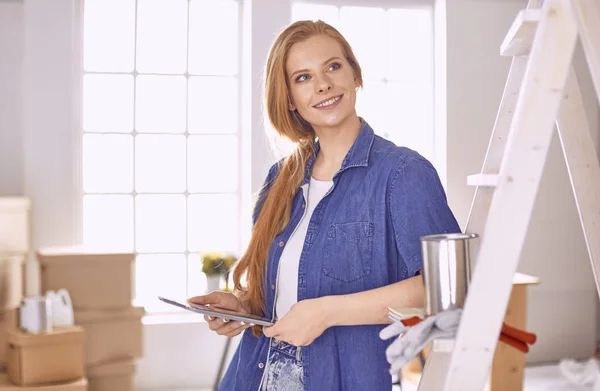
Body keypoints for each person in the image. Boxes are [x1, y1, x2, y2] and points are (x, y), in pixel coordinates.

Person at [188, 19, 461, 391]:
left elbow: (442, 290)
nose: (322, 85)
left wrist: (325, 313)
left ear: (355, 75)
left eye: (333, 66)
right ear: (288, 99)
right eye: (303, 77)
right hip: (253, 376)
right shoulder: (279, 178)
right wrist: (241, 305)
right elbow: (276, 292)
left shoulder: (403, 173)